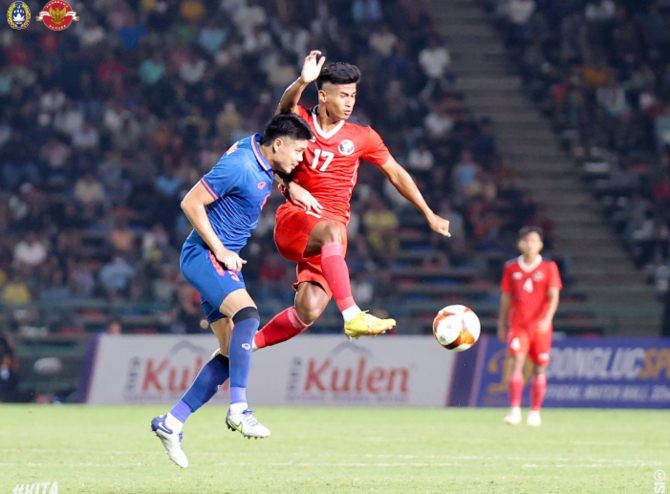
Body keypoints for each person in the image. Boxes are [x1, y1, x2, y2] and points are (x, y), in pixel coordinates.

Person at [252, 51, 451, 349]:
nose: (349, 102)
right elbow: (284, 109)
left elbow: (396, 173)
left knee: (308, 310)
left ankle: (243, 348)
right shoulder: (301, 121)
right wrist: (301, 81)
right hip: (296, 218)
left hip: (333, 234)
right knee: (331, 231)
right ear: (322, 96)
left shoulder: (363, 135)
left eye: (353, 96)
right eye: (343, 95)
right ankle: (353, 314)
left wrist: (428, 212)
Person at [152, 114, 317, 468]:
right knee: (248, 315)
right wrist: (222, 250)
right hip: (206, 255)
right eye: (299, 152)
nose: (300, 159)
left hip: (221, 261)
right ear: (278, 145)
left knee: (230, 353)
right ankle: (239, 408)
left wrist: (290, 186)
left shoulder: (259, 149)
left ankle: (172, 421)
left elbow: (279, 131)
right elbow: (190, 202)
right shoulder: (241, 165)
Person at [497, 227, 562, 427]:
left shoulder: (549, 267)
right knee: (516, 361)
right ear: (519, 244)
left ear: (540, 245)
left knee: (540, 367)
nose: (530, 244)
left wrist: (548, 318)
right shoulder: (511, 268)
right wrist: (501, 323)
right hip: (519, 325)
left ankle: (535, 412)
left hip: (540, 326)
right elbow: (506, 298)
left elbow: (553, 296)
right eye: (526, 240)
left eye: (534, 241)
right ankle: (514, 409)